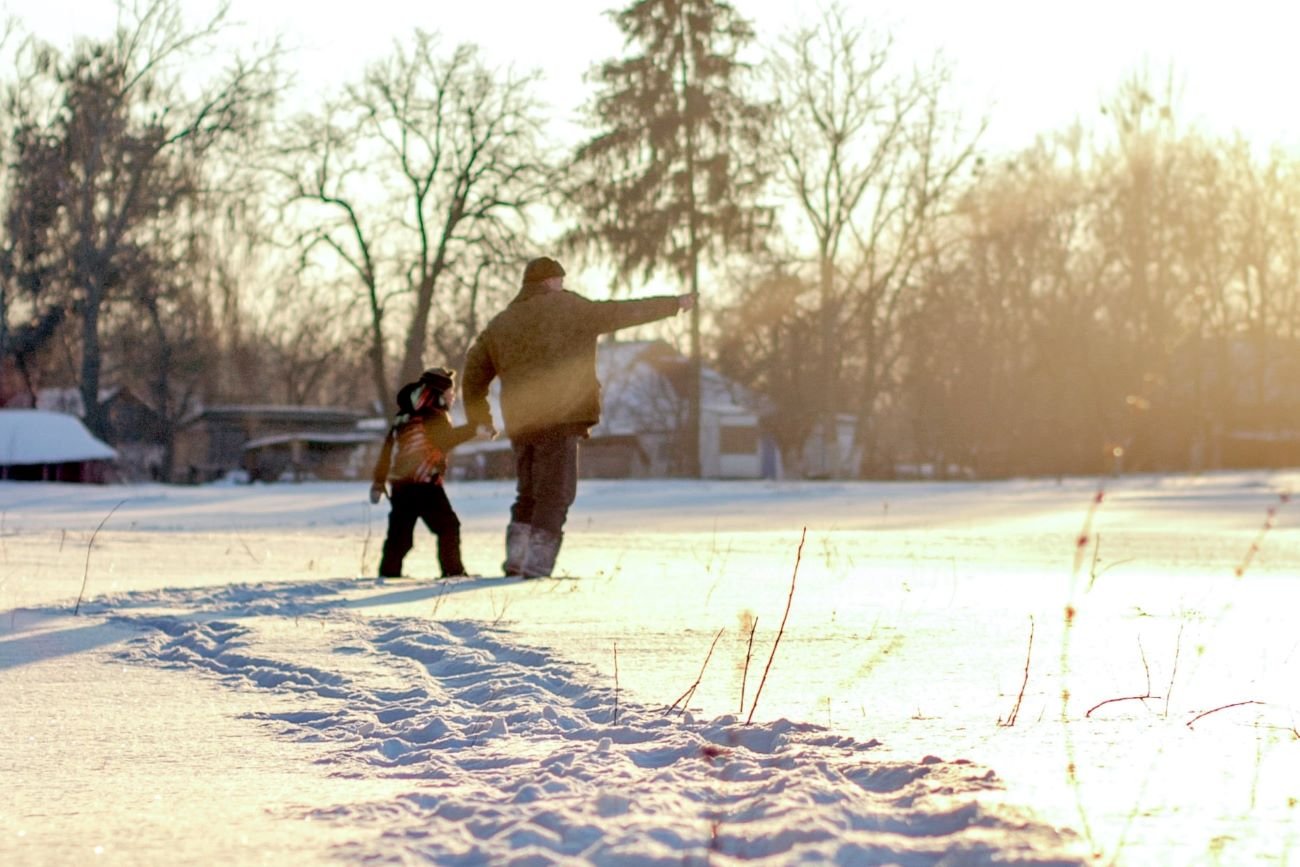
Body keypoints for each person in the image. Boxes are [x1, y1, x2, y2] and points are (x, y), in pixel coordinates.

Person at [462, 256, 695, 578]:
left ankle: (516, 558)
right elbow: (622, 312)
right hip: (559, 416)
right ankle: (537, 565)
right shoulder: (569, 309)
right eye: (559, 280)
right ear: (549, 282)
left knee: (527, 492)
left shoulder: (502, 322)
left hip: (521, 421)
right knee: (555, 493)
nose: (562, 285)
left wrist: (480, 416)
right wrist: (673, 304)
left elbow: (473, 373)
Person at [370, 367, 480, 578]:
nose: (453, 397)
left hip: (401, 486)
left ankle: (388, 573)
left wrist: (379, 480)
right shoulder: (433, 415)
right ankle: (453, 572)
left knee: (400, 537)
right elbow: (446, 440)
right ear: (438, 393)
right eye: (450, 392)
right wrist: (474, 429)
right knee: (449, 527)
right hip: (424, 484)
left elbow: (388, 449)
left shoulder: (404, 416)